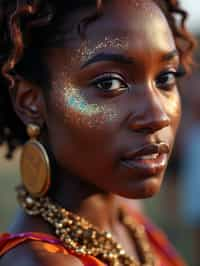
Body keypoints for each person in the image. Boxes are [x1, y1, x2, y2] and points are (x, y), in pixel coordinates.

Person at [0, 0, 196, 265]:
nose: (157, 116)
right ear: (30, 102)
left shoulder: (128, 219)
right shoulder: (40, 260)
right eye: (109, 83)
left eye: (165, 79)